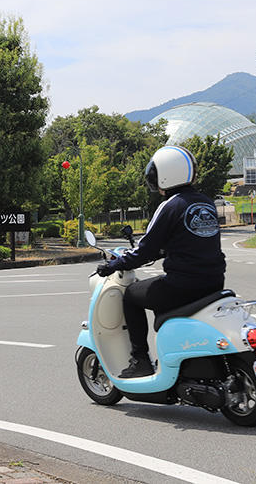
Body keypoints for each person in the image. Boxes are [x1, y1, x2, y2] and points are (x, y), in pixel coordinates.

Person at [96, 145, 226, 378]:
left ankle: (141, 360)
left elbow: (144, 251)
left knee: (132, 296)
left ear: (165, 174)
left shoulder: (170, 206)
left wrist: (113, 265)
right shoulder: (205, 202)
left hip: (183, 285)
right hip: (214, 282)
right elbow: (189, 241)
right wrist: (165, 251)